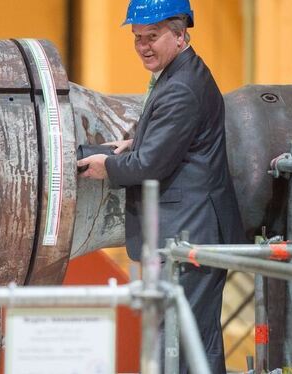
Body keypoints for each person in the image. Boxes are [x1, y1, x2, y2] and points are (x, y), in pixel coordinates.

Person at [77, 0, 245, 372]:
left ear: (180, 34)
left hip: (191, 231)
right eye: (137, 38)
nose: (142, 46)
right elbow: (174, 144)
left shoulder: (182, 87)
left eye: (152, 37)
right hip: (190, 228)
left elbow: (150, 165)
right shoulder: (181, 73)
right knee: (190, 338)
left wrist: (109, 166)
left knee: (184, 341)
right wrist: (133, 144)